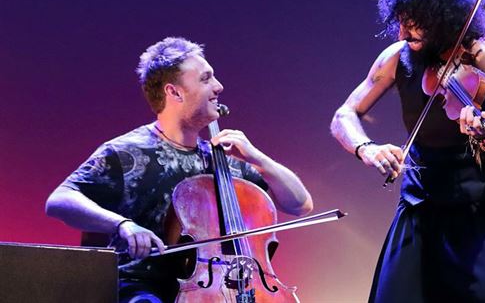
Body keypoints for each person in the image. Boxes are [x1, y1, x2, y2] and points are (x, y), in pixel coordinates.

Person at [46, 36, 313, 302]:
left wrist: (258, 159)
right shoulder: (126, 153)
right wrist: (123, 225)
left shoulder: (226, 159)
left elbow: (300, 204)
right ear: (174, 92)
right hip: (143, 288)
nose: (218, 86)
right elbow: (60, 200)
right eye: (205, 79)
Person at [330, 0, 485, 302]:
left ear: (442, 16)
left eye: (414, 22)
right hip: (420, 203)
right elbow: (344, 114)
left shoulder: (483, 55)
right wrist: (367, 148)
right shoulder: (396, 58)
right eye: (401, 21)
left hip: (480, 208)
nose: (404, 33)